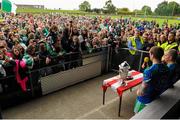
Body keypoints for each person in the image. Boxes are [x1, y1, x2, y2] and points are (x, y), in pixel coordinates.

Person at [134, 46, 169, 113]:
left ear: (152, 55)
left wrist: (138, 92)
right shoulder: (166, 68)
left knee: (137, 115)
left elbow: (142, 91)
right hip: (157, 96)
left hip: (145, 100)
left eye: (150, 53)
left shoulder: (149, 71)